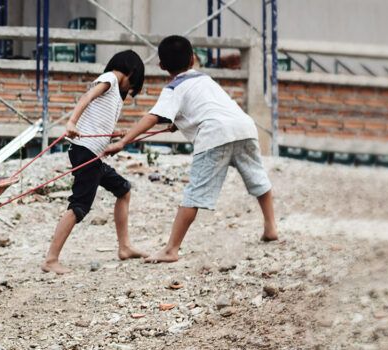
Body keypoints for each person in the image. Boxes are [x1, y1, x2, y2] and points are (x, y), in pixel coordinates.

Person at [104, 35, 278, 264]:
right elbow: (205, 106)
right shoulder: (205, 78)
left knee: (194, 193)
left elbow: (153, 117)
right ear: (193, 58)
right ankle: (271, 227)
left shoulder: (173, 88)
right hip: (244, 127)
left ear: (161, 66)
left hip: (215, 135)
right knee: (258, 178)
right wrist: (180, 121)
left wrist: (122, 142)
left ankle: (171, 249)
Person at [41, 50, 148, 274]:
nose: (128, 91)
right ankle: (51, 259)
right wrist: (71, 122)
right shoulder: (110, 78)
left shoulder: (114, 90)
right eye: (131, 85)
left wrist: (114, 134)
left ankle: (125, 247)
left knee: (123, 190)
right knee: (79, 207)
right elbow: (86, 98)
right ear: (131, 72)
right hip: (86, 152)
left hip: (94, 155)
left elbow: (97, 122)